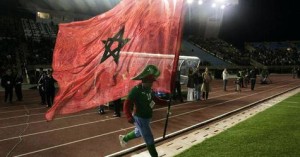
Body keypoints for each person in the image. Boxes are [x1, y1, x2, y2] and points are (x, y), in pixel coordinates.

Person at [119, 65, 167, 157]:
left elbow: (155, 99)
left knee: (138, 132)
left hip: (147, 117)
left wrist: (166, 102)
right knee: (149, 138)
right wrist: (128, 116)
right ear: (145, 81)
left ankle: (124, 138)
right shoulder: (136, 90)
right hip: (139, 117)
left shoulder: (149, 89)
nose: (152, 83)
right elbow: (126, 103)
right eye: (151, 82)